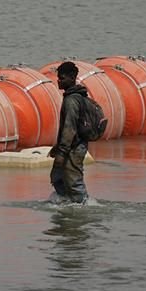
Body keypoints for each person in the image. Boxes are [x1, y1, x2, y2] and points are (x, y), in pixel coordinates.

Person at [48, 61, 90, 204]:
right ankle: (68, 202)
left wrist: (62, 152)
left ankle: (82, 206)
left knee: (74, 180)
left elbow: (70, 128)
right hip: (71, 145)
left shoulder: (72, 100)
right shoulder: (74, 96)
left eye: (62, 78)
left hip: (74, 147)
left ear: (72, 78)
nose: (59, 81)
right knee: (57, 177)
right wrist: (58, 146)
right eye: (58, 78)